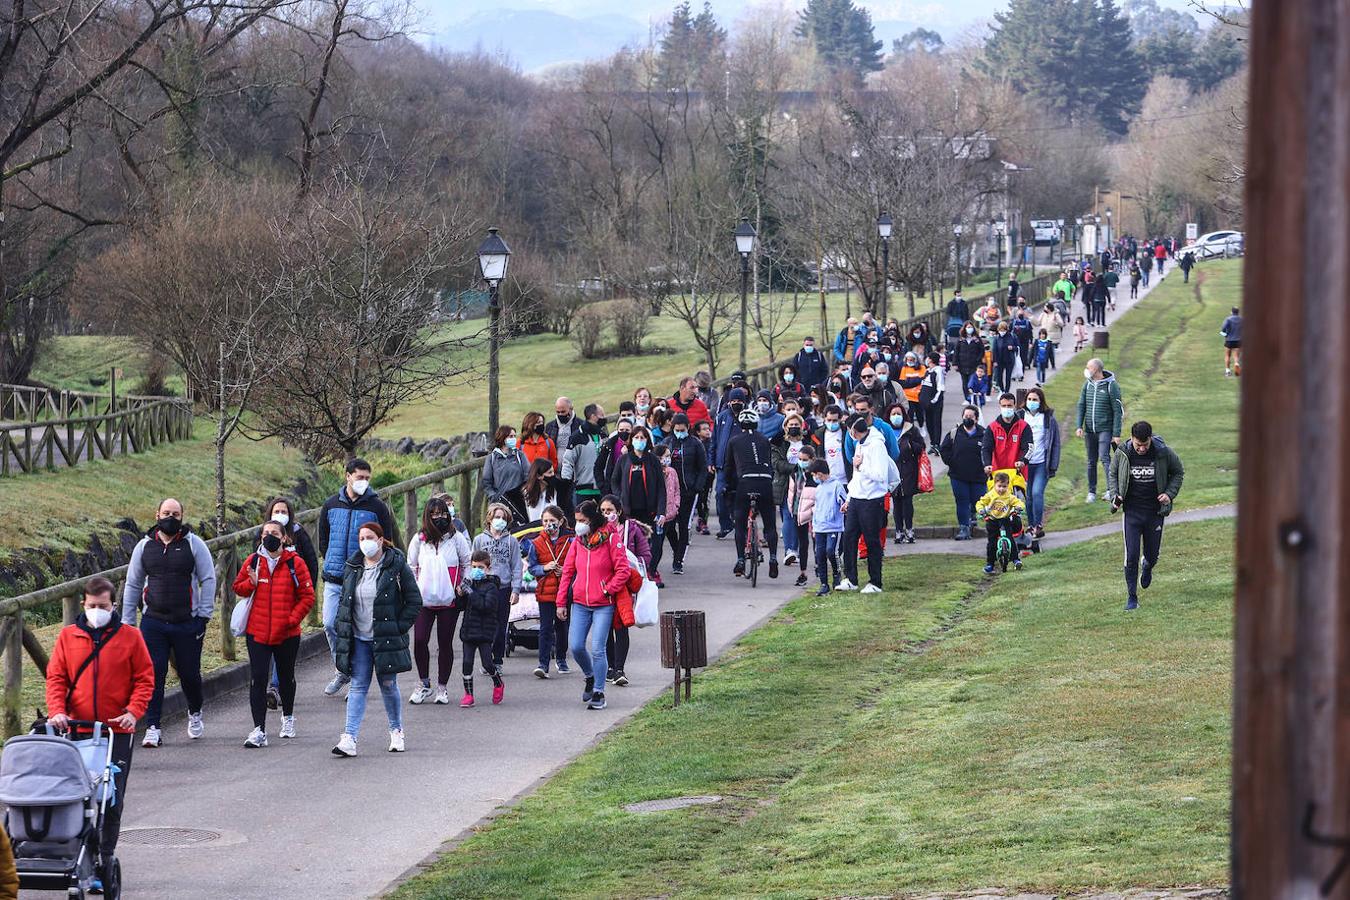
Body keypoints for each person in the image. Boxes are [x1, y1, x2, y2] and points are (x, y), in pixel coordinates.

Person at [46, 576, 154, 886]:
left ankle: (105, 859)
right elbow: (56, 678)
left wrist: (133, 712)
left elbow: (145, 679)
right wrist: (57, 711)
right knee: (76, 797)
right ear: (83, 604)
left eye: (103, 606)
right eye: (92, 605)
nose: (97, 611)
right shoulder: (68, 637)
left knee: (110, 798)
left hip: (115, 730)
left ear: (113, 606)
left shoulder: (131, 637)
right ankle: (80, 858)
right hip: (76, 729)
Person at [121, 497, 215, 748]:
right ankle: (153, 727)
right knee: (153, 674)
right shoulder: (144, 546)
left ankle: (195, 711)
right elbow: (133, 583)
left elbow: (208, 578)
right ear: (157, 515)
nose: (170, 518)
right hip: (153, 622)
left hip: (187, 622)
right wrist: (128, 622)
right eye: (166, 513)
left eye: (175, 514)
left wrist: (204, 615)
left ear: (182, 517)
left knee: (189, 675)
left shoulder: (194, 544)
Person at [331, 522, 420, 757]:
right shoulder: (353, 566)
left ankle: (396, 731)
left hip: (385, 638)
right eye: (361, 538)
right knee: (358, 686)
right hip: (359, 638)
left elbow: (414, 600)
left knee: (388, 685)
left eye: (369, 537)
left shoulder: (396, 565)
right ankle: (349, 738)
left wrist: (398, 627)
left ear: (380, 540)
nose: (365, 543)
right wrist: (343, 628)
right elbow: (344, 602)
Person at [317, 459, 397, 698]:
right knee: (330, 623)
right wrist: (331, 559)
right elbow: (324, 539)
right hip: (334, 577)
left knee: (356, 629)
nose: (364, 482)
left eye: (367, 478)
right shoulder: (330, 504)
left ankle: (356, 678)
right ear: (348, 476)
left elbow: (387, 541)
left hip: (362, 577)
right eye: (360, 477)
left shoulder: (377, 507)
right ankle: (342, 668)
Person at [231, 520, 314, 748]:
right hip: (257, 632)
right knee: (258, 679)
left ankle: (288, 717)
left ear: (284, 538)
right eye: (266, 533)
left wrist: (291, 620)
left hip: (287, 633)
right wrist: (251, 583)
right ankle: (259, 730)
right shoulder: (253, 561)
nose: (270, 536)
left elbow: (307, 596)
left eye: (275, 533)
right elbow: (238, 587)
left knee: (286, 677)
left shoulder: (295, 563)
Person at [557, 500, 630, 711]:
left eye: (583, 520)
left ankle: (599, 691)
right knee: (576, 646)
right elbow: (567, 571)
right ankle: (590, 676)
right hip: (580, 603)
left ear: (593, 519)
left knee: (598, 649)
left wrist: (608, 589)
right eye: (576, 520)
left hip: (603, 604)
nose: (578, 524)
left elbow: (623, 570)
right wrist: (561, 602)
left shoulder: (611, 539)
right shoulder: (578, 542)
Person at [1108, 421, 1185, 611]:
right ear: (1132, 439)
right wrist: (1115, 495)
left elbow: (1178, 472)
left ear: (1150, 439)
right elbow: (1113, 473)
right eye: (1138, 445)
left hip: (1154, 513)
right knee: (1131, 555)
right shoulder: (1123, 452)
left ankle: (1148, 565)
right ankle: (1132, 598)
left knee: (1152, 555)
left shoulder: (1163, 452)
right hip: (1132, 513)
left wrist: (1169, 494)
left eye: (1145, 444)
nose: (1142, 449)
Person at [406, 496, 471, 704]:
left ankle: (442, 687)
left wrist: (463, 585)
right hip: (423, 600)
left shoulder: (456, 538)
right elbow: (411, 565)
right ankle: (424, 683)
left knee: (445, 642)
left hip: (449, 600)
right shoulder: (419, 539)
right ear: (427, 516)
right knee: (419, 640)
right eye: (434, 514)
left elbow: (467, 562)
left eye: (443, 513)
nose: (439, 517)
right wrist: (413, 590)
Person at [837, 413, 894, 594]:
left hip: (872, 499)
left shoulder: (877, 445)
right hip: (857, 498)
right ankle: (851, 579)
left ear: (854, 431)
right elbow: (857, 477)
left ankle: (875, 582)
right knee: (849, 537)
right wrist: (849, 498)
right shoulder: (860, 444)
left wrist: (861, 466)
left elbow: (880, 475)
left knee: (872, 541)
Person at [599, 494, 650, 687]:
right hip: (603, 584)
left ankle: (619, 669)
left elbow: (645, 554)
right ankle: (610, 667)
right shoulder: (597, 531)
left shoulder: (631, 529)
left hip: (623, 585)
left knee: (621, 626)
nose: (606, 514)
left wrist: (632, 564)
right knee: (605, 629)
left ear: (619, 511)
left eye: (609, 510)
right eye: (603, 511)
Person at [724, 407, 780, 579]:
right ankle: (773, 557)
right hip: (764, 482)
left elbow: (728, 467)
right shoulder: (764, 440)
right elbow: (769, 464)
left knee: (740, 523)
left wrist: (728, 486)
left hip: (746, 482)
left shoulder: (734, 441)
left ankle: (741, 559)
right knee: (770, 524)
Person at [472, 502, 523, 672]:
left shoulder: (511, 541)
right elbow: (472, 564)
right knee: (484, 626)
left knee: (501, 627)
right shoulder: (479, 540)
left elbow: (516, 566)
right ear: (490, 519)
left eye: (503, 518)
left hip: (503, 588)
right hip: (483, 587)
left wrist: (516, 590)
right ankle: (486, 660)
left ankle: (498, 660)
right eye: (497, 517)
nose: (500, 520)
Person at [525, 505, 574, 678]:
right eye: (545, 521)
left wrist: (566, 571)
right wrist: (544, 568)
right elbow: (531, 568)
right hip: (545, 591)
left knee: (562, 627)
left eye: (552, 521)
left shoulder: (570, 541)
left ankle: (561, 659)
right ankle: (543, 664)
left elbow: (577, 564)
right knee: (545, 628)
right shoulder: (536, 543)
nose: (548, 524)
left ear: (560, 521)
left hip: (564, 591)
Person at [456, 550, 508, 706]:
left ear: (488, 568)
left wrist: (470, 592)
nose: (476, 570)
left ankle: (498, 682)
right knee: (467, 663)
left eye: (480, 567)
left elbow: (485, 606)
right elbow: (461, 606)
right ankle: (468, 694)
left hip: (485, 632)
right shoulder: (470, 584)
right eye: (474, 567)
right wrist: (460, 594)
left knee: (487, 663)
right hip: (469, 630)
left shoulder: (492, 587)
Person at [1075, 358, 1124, 503]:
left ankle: (1111, 490)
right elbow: (1081, 405)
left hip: (1105, 429)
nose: (1086, 369)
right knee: (1091, 461)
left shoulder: (1112, 386)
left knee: (1104, 458)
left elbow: (1117, 410)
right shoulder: (1087, 384)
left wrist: (1116, 433)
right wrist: (1079, 426)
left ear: (1096, 369)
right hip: (1090, 430)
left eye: (1088, 367)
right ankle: (1091, 492)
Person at [665, 413, 707, 574]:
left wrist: (697, 487)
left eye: (682, 430)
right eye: (677, 430)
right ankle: (677, 550)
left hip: (688, 492)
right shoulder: (667, 443)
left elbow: (702, 468)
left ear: (688, 428)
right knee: (669, 526)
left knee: (683, 525)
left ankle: (678, 561)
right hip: (669, 492)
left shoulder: (695, 444)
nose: (679, 433)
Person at [939, 405, 987, 541]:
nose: (968, 419)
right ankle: (964, 528)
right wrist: (951, 462)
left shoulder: (984, 434)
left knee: (977, 500)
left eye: (971, 416)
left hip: (978, 476)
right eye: (966, 416)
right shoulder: (954, 433)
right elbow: (944, 449)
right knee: (962, 501)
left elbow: (990, 451)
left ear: (976, 419)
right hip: (958, 476)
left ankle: (972, 516)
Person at [1019, 387, 1061, 539]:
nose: (1032, 402)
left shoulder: (1048, 419)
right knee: (1028, 496)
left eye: (1035, 399)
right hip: (1025, 464)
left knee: (1037, 493)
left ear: (1041, 401)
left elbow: (1055, 443)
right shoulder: (1020, 417)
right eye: (1029, 399)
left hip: (1041, 463)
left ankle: (1038, 525)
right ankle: (1030, 526)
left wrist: (1053, 465)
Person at [712, 387, 750, 540]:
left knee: (741, 496)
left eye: (739, 401)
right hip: (723, 464)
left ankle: (742, 525)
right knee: (720, 494)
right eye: (733, 400)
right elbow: (714, 441)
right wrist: (711, 460)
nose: (736, 403)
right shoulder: (721, 417)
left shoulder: (748, 417)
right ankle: (725, 525)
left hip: (742, 465)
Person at [806, 459, 845, 595]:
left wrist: (842, 506)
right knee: (820, 554)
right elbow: (817, 508)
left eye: (814, 474)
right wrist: (814, 525)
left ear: (820, 473)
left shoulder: (836, 485)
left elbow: (844, 501)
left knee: (831, 551)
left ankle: (836, 574)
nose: (814, 477)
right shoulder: (819, 488)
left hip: (834, 526)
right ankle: (824, 583)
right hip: (820, 527)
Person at [976, 471, 1026, 573]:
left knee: (1010, 539)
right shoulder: (990, 495)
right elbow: (980, 503)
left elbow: (1018, 502)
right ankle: (990, 564)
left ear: (1008, 485)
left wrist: (1019, 507)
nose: (1001, 489)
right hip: (992, 520)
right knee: (992, 542)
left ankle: (1016, 560)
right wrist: (981, 510)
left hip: (1005, 519)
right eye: (999, 486)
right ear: (995, 484)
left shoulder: (1009, 496)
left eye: (1004, 486)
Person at [889, 405, 926, 544]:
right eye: (893, 414)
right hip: (893, 471)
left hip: (908, 471)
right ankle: (899, 531)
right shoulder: (887, 431)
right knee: (896, 503)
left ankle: (909, 530)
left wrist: (910, 445)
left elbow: (921, 446)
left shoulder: (911, 430)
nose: (896, 416)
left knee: (907, 502)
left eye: (898, 413)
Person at [482, 424, 531, 526]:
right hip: (500, 502)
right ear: (503, 437)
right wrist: (494, 496)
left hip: (519, 502)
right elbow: (486, 481)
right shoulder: (492, 458)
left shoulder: (519, 455)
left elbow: (528, 475)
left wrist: (524, 492)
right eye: (511, 436)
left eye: (514, 436)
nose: (514, 439)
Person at [562, 402, 607, 511]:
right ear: (593, 416)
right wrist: (565, 485)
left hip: (602, 488)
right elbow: (568, 461)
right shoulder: (577, 437)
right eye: (602, 415)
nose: (604, 417)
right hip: (583, 490)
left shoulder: (603, 435)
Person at [784, 443, 817, 586]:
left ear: (812, 459)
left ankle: (818, 566)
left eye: (805, 459)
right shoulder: (795, 472)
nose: (802, 462)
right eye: (800, 459)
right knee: (803, 542)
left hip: (814, 511)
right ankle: (803, 572)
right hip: (799, 510)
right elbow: (792, 491)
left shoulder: (816, 474)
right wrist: (791, 508)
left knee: (817, 541)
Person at [982, 392, 1033, 477]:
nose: (1006, 408)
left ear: (1014, 406)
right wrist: (987, 464)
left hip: (1017, 474)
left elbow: (1029, 448)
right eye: (1004, 406)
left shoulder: (1024, 427)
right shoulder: (992, 428)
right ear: (1000, 406)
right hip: (997, 474)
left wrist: (1023, 461)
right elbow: (986, 448)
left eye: (1009, 406)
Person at [651, 443, 680, 587]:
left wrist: (676, 506)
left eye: (669, 456)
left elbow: (676, 491)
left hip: (670, 514)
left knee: (665, 541)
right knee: (656, 545)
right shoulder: (652, 472)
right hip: (657, 516)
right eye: (665, 456)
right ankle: (652, 571)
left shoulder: (672, 472)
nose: (668, 459)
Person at [545, 397, 579, 518]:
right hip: (556, 474)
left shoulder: (580, 426)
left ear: (571, 409)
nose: (560, 415)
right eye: (558, 412)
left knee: (572, 506)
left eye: (563, 412)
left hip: (574, 475)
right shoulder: (550, 427)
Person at [919, 349, 946, 451]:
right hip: (926, 403)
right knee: (929, 423)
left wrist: (933, 401)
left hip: (935, 403)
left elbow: (940, 388)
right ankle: (932, 443)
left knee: (936, 423)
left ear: (931, 360)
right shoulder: (927, 371)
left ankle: (937, 444)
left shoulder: (938, 371)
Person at [522, 457, 559, 524]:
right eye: (549, 472)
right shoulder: (526, 493)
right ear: (539, 476)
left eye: (553, 471)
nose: (553, 475)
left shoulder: (556, 490)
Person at [896, 352, 927, 430]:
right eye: (908, 359)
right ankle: (911, 430)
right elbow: (903, 383)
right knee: (910, 415)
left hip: (919, 396)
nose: (909, 361)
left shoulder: (922, 368)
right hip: (908, 397)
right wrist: (916, 380)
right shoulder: (904, 368)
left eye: (911, 359)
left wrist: (909, 380)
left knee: (920, 414)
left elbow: (923, 379)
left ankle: (921, 427)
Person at [1036, 303, 1064, 371]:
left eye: (1045, 307)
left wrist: (1056, 322)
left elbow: (1061, 324)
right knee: (1043, 350)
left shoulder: (1056, 315)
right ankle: (1045, 364)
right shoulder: (1043, 315)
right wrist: (1031, 318)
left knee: (1051, 352)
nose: (1044, 309)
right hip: (1044, 336)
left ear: (1049, 308)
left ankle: (1053, 364)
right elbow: (1037, 323)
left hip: (1052, 337)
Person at [991, 322, 1017, 395]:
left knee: (1008, 377)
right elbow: (994, 350)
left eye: (1003, 330)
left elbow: (1017, 347)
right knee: (999, 377)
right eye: (1000, 330)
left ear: (1006, 330)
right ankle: (1002, 390)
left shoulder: (1012, 336)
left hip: (1009, 360)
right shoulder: (996, 338)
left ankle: (1007, 391)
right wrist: (994, 361)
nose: (1002, 332)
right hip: (999, 360)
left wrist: (1012, 348)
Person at [1221, 306, 1243, 376]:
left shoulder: (1228, 319)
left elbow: (1223, 329)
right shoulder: (1242, 319)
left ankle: (1228, 371)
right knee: (1236, 356)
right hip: (1239, 341)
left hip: (1229, 340)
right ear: (1238, 312)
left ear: (1231, 312)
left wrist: (1225, 335)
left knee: (1227, 355)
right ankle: (1236, 364)